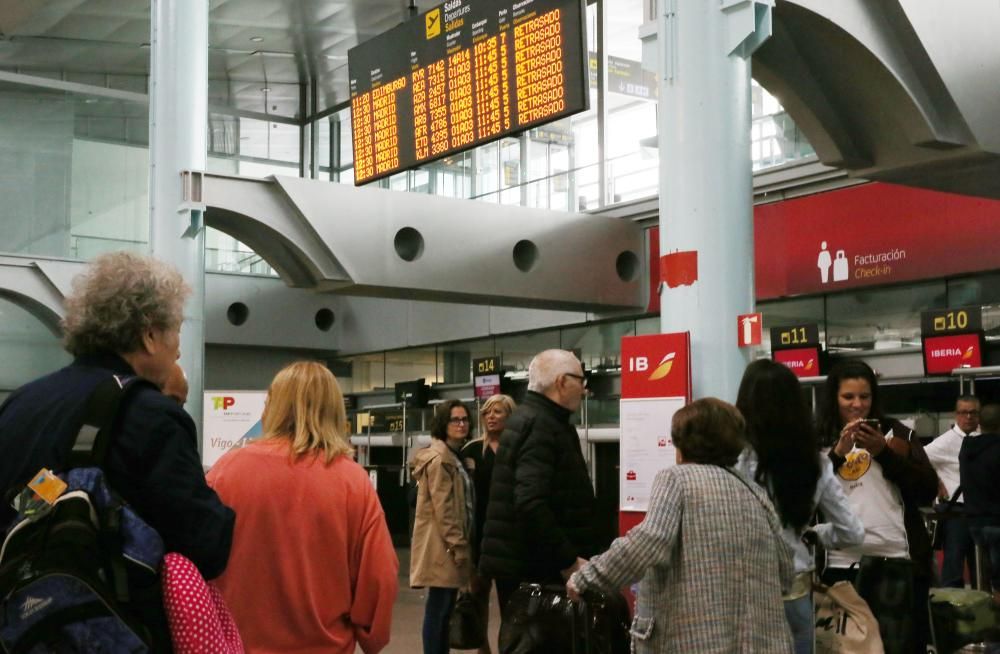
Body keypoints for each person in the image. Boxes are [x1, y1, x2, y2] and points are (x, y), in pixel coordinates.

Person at [0, 251, 235, 648]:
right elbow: (205, 547)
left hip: (19, 631)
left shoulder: (20, 404)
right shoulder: (149, 415)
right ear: (148, 334)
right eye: (175, 331)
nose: (178, 349)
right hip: (109, 631)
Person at [568, 398, 794, 654]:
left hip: (692, 642)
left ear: (683, 443)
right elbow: (786, 572)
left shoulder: (677, 479)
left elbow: (648, 542)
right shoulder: (754, 491)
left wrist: (587, 576)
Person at [207, 361, 398, 654]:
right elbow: (379, 576)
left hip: (238, 645)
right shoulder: (352, 481)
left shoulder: (225, 471)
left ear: (272, 405)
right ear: (335, 411)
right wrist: (371, 637)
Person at [735, 359, 864, 654]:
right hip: (794, 591)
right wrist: (816, 534)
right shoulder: (814, 463)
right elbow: (853, 533)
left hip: (741, 593)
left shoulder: (731, 462)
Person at [817, 360, 938, 654]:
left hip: (893, 560)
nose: (858, 405)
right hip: (837, 566)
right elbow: (805, 496)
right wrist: (836, 454)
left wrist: (884, 453)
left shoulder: (899, 435)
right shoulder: (818, 438)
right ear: (834, 398)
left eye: (865, 397)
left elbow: (926, 490)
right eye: (848, 397)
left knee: (897, 647)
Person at [479, 349, 597, 619]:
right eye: (581, 379)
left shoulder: (533, 419)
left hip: (525, 565)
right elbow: (530, 503)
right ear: (561, 382)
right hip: (537, 571)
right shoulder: (541, 425)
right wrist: (568, 560)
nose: (584, 388)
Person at [411, 399, 475, 654]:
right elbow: (444, 509)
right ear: (442, 424)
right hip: (442, 547)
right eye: (454, 419)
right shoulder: (440, 460)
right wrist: (458, 545)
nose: (461, 424)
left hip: (446, 544)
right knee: (439, 608)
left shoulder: (455, 457)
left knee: (445, 608)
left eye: (464, 419)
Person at [461, 394, 516, 654]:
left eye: (497, 412)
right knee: (478, 599)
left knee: (511, 601)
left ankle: (510, 648)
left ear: (509, 416)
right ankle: (483, 650)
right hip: (478, 537)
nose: (491, 417)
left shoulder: (517, 448)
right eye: (487, 413)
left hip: (509, 538)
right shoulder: (470, 451)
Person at [925, 394, 980, 588]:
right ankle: (950, 611)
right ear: (956, 415)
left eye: (973, 412)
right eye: (964, 412)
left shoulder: (984, 438)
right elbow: (919, 457)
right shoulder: (945, 442)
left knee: (982, 565)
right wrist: (937, 482)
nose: (968, 417)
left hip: (981, 510)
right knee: (953, 564)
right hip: (955, 511)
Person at [959, 403, 1000, 607]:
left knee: (983, 579)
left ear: (979, 424)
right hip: (996, 521)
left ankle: (986, 625)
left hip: (975, 522)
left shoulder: (967, 448)